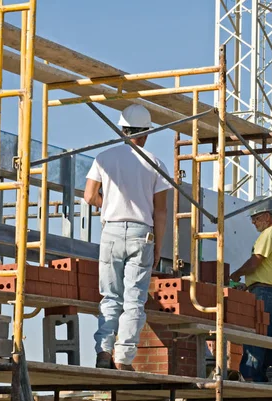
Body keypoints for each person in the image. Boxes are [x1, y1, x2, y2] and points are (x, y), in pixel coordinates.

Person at [84, 104, 172, 371]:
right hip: (140, 234)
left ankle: (103, 353)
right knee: (134, 299)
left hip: (110, 231)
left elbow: (89, 196)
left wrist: (109, 204)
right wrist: (157, 244)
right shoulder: (155, 163)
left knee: (110, 297)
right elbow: (160, 210)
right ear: (146, 134)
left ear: (122, 130)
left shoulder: (103, 158)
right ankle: (123, 358)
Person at [230, 197, 272, 382]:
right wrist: (247, 284)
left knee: (256, 336)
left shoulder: (269, 233)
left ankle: (251, 378)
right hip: (269, 292)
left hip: (264, 293)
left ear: (266, 215)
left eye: (255, 218)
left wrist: (235, 274)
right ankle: (270, 378)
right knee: (268, 336)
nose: (253, 222)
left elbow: (256, 262)